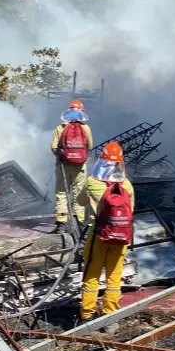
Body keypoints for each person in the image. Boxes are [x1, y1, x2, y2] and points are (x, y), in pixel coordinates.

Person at [75, 141, 134, 331]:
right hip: (121, 238)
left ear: (102, 160)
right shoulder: (127, 185)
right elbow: (131, 210)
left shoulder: (93, 183)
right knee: (114, 277)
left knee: (91, 275)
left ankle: (87, 315)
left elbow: (80, 200)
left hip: (98, 236)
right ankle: (110, 318)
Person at [51, 100, 92, 232]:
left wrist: (62, 156)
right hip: (80, 167)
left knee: (62, 193)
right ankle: (78, 222)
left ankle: (61, 224)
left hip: (63, 166)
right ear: (81, 112)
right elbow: (90, 146)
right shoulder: (85, 128)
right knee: (78, 192)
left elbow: (53, 147)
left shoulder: (60, 128)